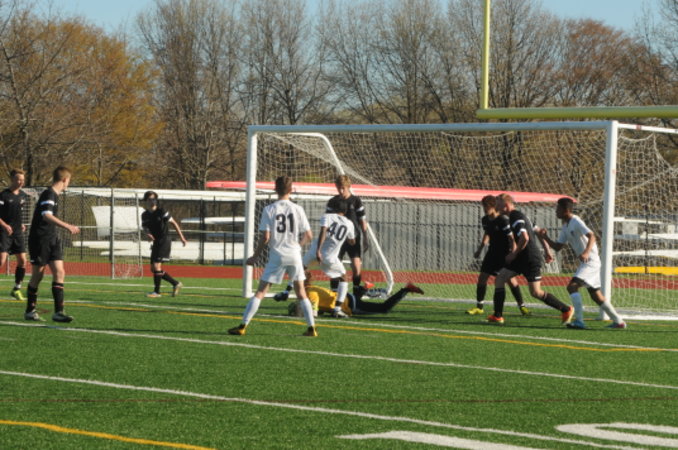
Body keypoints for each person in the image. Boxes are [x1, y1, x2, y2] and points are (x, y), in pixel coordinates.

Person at [228, 176, 318, 337]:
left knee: (260, 292)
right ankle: (312, 328)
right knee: (301, 293)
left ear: (275, 189)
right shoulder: (298, 209)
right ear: (291, 190)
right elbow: (309, 235)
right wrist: (298, 245)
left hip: (277, 255)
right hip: (294, 255)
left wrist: (255, 256)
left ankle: (242, 326)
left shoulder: (269, 209)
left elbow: (265, 237)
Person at [538, 198, 626, 329]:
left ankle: (579, 321)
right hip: (587, 262)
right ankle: (619, 321)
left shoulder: (576, 221)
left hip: (590, 261)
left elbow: (592, 236)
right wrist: (545, 237)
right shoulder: (565, 225)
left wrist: (586, 252)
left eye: (558, 209)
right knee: (596, 296)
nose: (556, 211)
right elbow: (557, 247)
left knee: (572, 287)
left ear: (566, 210)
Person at [488, 194, 574, 325]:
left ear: (506, 205)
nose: (496, 207)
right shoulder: (521, 216)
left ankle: (566, 309)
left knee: (536, 292)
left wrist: (513, 253)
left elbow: (525, 238)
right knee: (501, 278)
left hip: (529, 258)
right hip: (522, 257)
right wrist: (547, 250)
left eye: (498, 204)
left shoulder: (515, 216)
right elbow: (539, 232)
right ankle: (497, 316)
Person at [24, 166, 80, 322]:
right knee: (38, 275)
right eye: (69, 181)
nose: (68, 183)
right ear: (65, 179)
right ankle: (30, 311)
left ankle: (59, 312)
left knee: (60, 272)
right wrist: (67, 226)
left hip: (53, 238)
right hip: (40, 239)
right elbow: (46, 215)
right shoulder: (49, 193)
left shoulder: (55, 195)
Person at [467, 195, 529, 316]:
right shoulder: (485, 220)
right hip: (491, 253)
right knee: (482, 278)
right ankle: (479, 307)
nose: (485, 209)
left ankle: (522, 306)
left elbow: (511, 238)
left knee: (510, 280)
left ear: (493, 206)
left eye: (487, 207)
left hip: (504, 254)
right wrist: (480, 249)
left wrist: (513, 253)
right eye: (483, 206)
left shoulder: (503, 220)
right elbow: (487, 234)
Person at [289, 271, 424, 317]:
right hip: (346, 298)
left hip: (349, 305)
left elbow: (314, 313)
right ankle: (364, 288)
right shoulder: (312, 289)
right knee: (358, 300)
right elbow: (323, 306)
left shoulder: (310, 293)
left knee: (384, 309)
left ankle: (405, 289)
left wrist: (300, 313)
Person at [141, 191, 187, 298]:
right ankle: (175, 283)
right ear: (146, 201)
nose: (152, 201)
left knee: (157, 266)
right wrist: (148, 234)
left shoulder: (162, 211)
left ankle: (156, 292)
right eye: (149, 199)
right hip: (156, 241)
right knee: (153, 269)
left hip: (164, 240)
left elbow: (174, 223)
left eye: (154, 199)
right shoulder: (144, 215)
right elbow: (145, 227)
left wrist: (182, 237)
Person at [0, 169, 28, 301]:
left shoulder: (23, 195)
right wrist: (5, 226)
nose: (21, 182)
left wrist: (21, 224)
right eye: (18, 179)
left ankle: (16, 289)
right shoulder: (3, 195)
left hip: (17, 232)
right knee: (1, 260)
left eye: (22, 180)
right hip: (4, 232)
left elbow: (17, 213)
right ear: (12, 179)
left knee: (23, 261)